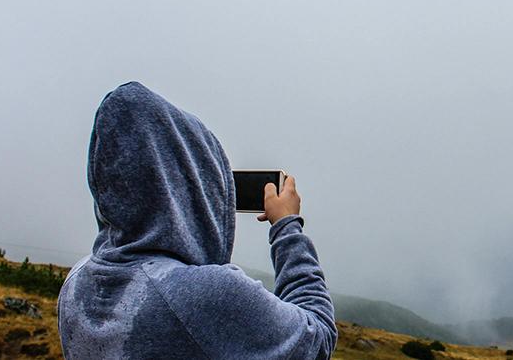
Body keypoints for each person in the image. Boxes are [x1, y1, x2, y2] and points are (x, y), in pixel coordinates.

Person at [57, 82, 337, 359]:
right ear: (190, 188)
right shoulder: (205, 295)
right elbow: (317, 337)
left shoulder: (77, 282)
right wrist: (287, 225)